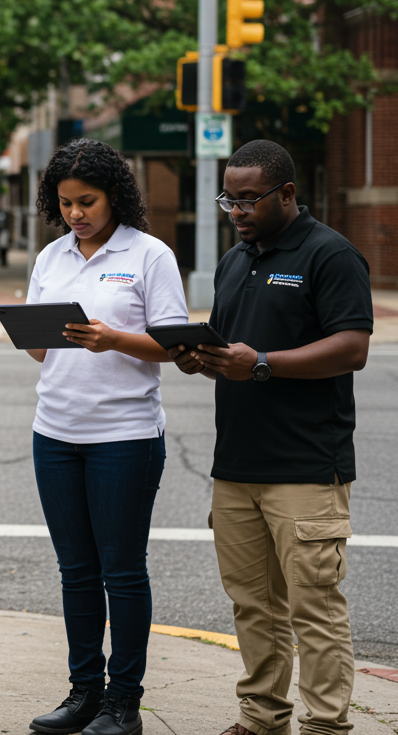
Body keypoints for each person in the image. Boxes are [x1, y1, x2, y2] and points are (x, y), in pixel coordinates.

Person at [169, 139, 372, 735]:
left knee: (315, 608)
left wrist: (260, 364)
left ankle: (327, 726)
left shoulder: (330, 255)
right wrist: (199, 358)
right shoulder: (236, 260)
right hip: (236, 466)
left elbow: (352, 348)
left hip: (307, 467)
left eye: (249, 199)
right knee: (254, 607)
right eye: (228, 199)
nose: (236, 211)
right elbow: (231, 348)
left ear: (287, 193)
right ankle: (262, 719)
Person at [22, 139, 188, 735]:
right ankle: (83, 693)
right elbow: (42, 348)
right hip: (55, 432)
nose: (75, 214)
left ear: (114, 194)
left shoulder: (150, 256)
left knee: (121, 570)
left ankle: (125, 704)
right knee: (75, 570)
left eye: (86, 201)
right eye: (65, 203)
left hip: (125, 434)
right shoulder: (50, 257)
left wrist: (113, 338)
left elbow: (175, 346)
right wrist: (34, 331)